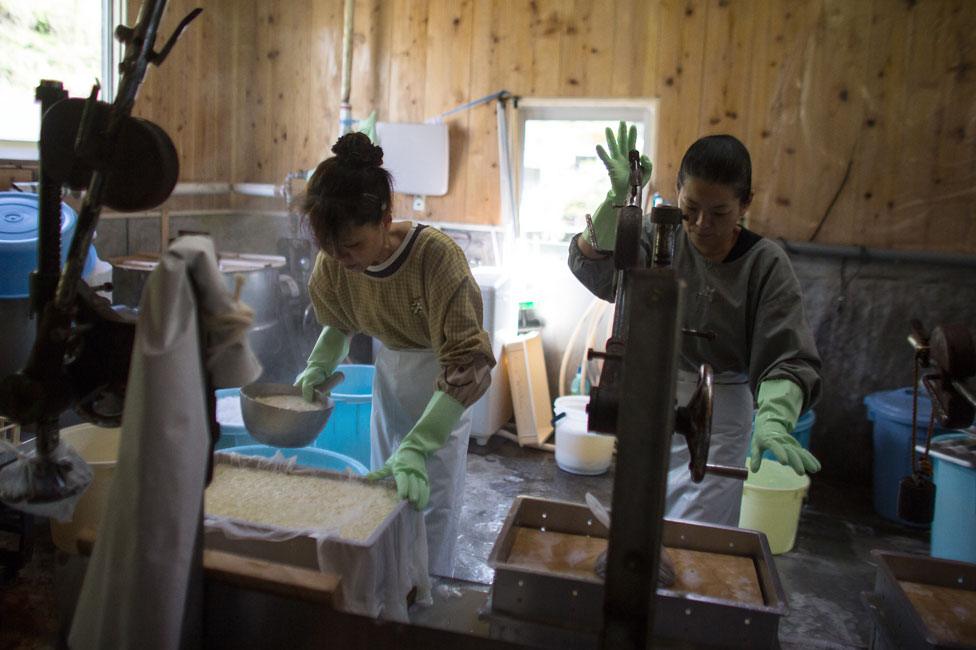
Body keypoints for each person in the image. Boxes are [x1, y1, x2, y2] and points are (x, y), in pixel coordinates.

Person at [568, 123, 822, 526]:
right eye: (690, 209)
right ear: (678, 192)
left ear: (745, 204)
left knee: (697, 528)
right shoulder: (657, 236)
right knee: (637, 516)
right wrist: (615, 200)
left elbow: (787, 356)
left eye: (719, 212)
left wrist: (774, 416)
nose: (702, 223)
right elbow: (590, 265)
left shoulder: (765, 264)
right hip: (651, 391)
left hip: (720, 407)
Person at [296, 132, 495, 576]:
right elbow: (340, 320)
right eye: (330, 248)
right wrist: (319, 363)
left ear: (385, 219)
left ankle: (427, 599)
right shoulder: (335, 259)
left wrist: (421, 444)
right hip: (391, 382)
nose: (340, 258)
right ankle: (385, 593)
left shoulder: (436, 260)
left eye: (353, 246)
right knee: (383, 499)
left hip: (441, 392)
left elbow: (468, 366)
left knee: (431, 507)